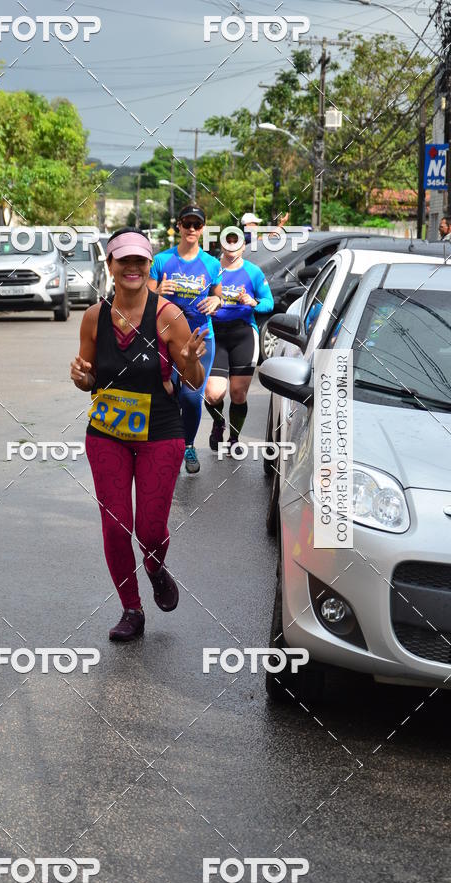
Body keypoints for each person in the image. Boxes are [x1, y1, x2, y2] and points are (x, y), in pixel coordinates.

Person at [70, 227, 208, 642]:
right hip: (107, 433)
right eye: (123, 260)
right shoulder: (94, 316)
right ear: (110, 267)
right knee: (115, 527)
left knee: (149, 529)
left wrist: (188, 361)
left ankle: (153, 565)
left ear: (149, 266)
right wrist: (81, 377)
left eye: (139, 261)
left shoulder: (168, 315)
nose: (131, 267)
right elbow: (89, 376)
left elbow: (194, 379)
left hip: (161, 432)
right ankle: (132, 609)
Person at [147, 204, 222, 474]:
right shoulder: (161, 261)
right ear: (178, 226)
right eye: (187, 224)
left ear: (202, 229)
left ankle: (187, 445)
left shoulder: (212, 264)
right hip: (167, 339)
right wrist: (157, 292)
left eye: (197, 225)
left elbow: (218, 296)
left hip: (201, 337)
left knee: (191, 397)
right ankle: (165, 445)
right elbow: (145, 300)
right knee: (168, 395)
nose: (191, 229)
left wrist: (215, 300)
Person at [204, 231, 274, 449]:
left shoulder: (253, 272)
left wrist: (253, 302)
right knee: (213, 394)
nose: (232, 245)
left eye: (237, 242)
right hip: (215, 334)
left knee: (238, 393)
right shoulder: (211, 269)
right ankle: (219, 422)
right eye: (228, 241)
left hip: (243, 334)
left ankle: (234, 438)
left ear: (244, 247)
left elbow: (268, 304)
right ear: (222, 245)